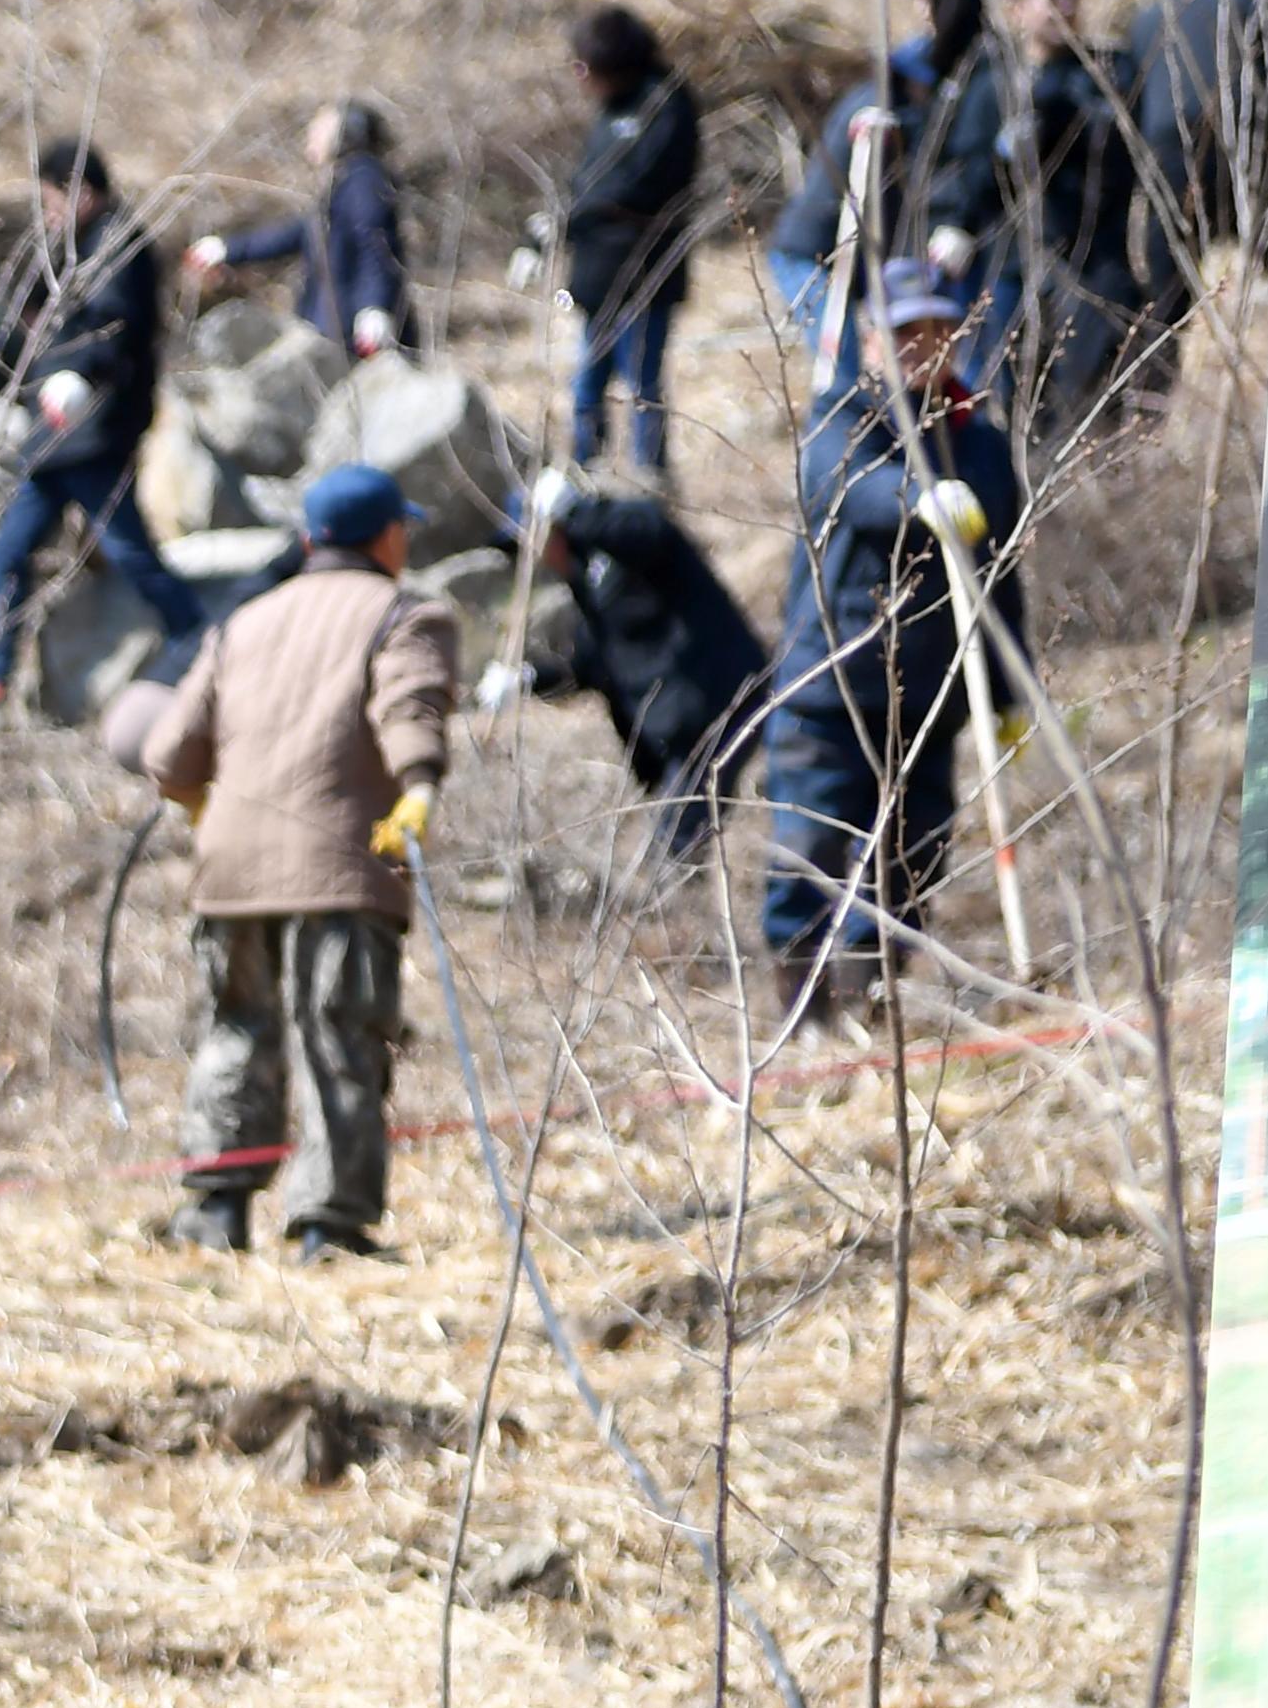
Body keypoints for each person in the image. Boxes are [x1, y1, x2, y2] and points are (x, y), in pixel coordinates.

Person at [132, 465, 457, 1263]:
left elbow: (168, 753)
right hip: (344, 864)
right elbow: (408, 705)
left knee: (236, 1029)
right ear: (387, 536)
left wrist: (202, 805)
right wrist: (419, 787)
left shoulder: (244, 621)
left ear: (312, 539)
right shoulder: (406, 615)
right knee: (340, 1035)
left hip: (231, 870)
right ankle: (328, 1226)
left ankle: (215, 1209)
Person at [758, 260, 1025, 1022]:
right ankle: (803, 1017)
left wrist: (1009, 693)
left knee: (911, 859)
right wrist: (920, 498)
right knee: (809, 852)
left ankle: (870, 1001)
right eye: (907, 330)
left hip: (933, 692)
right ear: (871, 338)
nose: (924, 344)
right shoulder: (842, 418)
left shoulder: (978, 438)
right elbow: (846, 488)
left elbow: (1001, 578)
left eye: (938, 329)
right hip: (832, 691)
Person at [0, 141, 201, 707]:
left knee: (128, 551)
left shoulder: (121, 247)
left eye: (52, 200)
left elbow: (111, 330)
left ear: (80, 192)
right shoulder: (71, 248)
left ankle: (197, 639)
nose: (47, 213)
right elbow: (27, 306)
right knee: (6, 556)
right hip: (54, 440)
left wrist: (73, 375)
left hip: (96, 431)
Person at [492, 472, 766, 867]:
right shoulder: (585, 585)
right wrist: (527, 680)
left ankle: (690, 916)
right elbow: (591, 665)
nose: (531, 556)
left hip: (720, 701)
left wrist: (579, 512)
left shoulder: (622, 547)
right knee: (672, 839)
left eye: (530, 539)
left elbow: (650, 527)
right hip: (682, 729)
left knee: (677, 844)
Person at [765, 0, 988, 389]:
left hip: (861, 260)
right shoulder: (876, 114)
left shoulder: (907, 118)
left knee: (889, 357)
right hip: (813, 254)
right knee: (842, 366)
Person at [996, 0, 1152, 434]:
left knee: (1087, 394)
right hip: (1016, 263)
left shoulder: (1103, 72)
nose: (1064, 8)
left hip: (1094, 259)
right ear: (1018, 8)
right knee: (1021, 402)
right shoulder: (998, 81)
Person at [558, 8, 705, 472]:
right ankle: (585, 468)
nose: (580, 78)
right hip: (596, 271)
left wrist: (591, 208)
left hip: (646, 270)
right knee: (587, 380)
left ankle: (650, 476)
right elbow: (587, 179)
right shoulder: (610, 109)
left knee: (642, 383)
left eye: (585, 68)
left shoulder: (667, 104)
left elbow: (648, 187)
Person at [191, 102, 411, 357]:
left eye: (322, 128)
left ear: (348, 133)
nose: (312, 134)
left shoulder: (365, 179)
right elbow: (297, 234)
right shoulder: (346, 184)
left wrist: (374, 307)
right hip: (336, 326)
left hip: (351, 330)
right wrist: (228, 248)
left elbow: (376, 245)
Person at [1132, 0, 1266, 325]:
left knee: (1171, 269)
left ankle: (1159, 360)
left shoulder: (1149, 15)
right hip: (1243, 141)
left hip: (1167, 148)